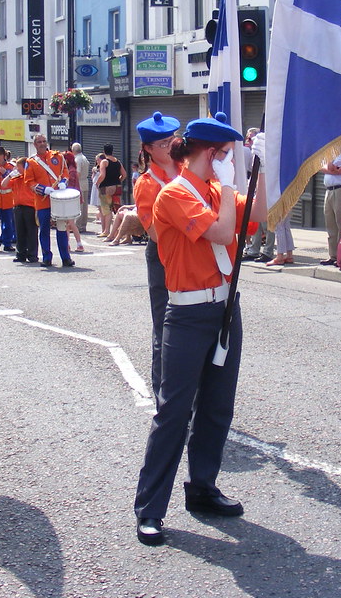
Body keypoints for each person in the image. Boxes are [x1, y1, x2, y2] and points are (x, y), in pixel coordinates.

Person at [133, 113, 267, 547]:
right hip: (188, 314)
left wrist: (262, 167)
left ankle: (203, 488)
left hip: (225, 308)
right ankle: (150, 508)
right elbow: (223, 232)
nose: (228, 162)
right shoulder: (174, 193)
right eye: (225, 154)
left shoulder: (213, 189)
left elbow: (260, 213)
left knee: (217, 406)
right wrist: (228, 186)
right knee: (173, 411)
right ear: (209, 153)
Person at [132, 111, 182, 404]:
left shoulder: (188, 171)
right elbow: (154, 232)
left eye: (173, 140)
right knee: (165, 324)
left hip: (191, 255)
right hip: (164, 256)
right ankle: (163, 396)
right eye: (163, 143)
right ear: (148, 149)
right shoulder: (147, 183)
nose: (171, 146)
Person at [23, 134, 73, 268]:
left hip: (58, 200)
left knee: (61, 228)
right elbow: (29, 181)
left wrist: (63, 182)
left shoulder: (58, 156)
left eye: (44, 141)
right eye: (39, 142)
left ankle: (66, 258)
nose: (42, 144)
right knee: (44, 230)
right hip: (43, 200)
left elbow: (65, 172)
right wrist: (42, 189)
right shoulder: (31, 162)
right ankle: (46, 257)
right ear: (35, 144)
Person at [9, 157, 38, 263]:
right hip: (18, 207)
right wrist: (10, 175)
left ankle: (32, 255)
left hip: (30, 207)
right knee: (20, 232)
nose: (16, 169)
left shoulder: (30, 178)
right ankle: (21, 254)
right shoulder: (16, 178)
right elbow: (3, 184)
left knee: (31, 232)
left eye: (18, 166)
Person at [96, 144, 126, 237]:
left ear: (104, 151)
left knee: (107, 209)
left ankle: (106, 231)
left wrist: (97, 183)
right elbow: (124, 174)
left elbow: (102, 175)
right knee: (116, 208)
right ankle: (118, 232)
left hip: (106, 187)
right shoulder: (118, 162)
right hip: (117, 187)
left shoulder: (104, 162)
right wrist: (118, 181)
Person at [0, 146, 17, 253]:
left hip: (8, 200)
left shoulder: (11, 167)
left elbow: (16, 179)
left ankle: (7, 244)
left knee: (8, 224)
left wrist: (5, 173)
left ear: (3, 156)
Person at [72, 143, 91, 232]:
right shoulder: (84, 158)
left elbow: (78, 173)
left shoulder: (77, 159)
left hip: (79, 183)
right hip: (85, 182)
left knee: (79, 205)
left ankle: (78, 225)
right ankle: (83, 225)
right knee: (84, 206)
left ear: (73, 150)